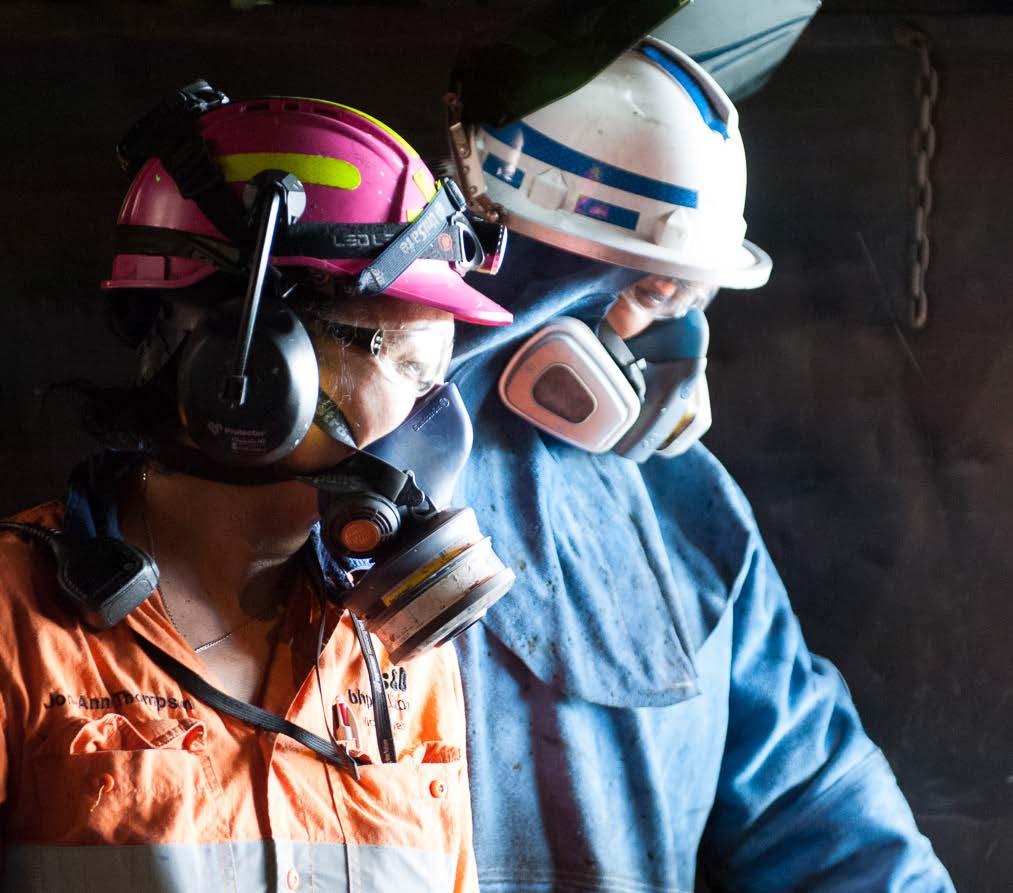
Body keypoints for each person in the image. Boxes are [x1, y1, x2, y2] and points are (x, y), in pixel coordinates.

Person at [445, 39, 956, 890]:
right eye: (652, 292)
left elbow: (812, 796)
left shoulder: (683, 505)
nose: (671, 348)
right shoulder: (352, 487)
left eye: (691, 296)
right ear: (525, 260)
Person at [0, 84, 516, 892]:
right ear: (251, 367)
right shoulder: (17, 624)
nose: (437, 415)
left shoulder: (392, 651)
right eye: (411, 366)